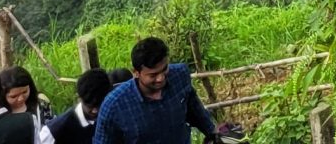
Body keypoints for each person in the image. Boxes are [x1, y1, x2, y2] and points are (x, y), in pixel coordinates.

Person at [87, 39, 220, 144]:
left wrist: (213, 134)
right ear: (136, 73)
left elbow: (194, 110)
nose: (161, 78)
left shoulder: (180, 76)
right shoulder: (114, 106)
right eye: (153, 75)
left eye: (164, 69)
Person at [49, 70, 110, 144]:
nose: (95, 111)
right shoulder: (55, 131)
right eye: (90, 106)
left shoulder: (112, 116)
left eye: (99, 105)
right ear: (79, 99)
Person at [0, 67, 52, 144]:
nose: (21, 99)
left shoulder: (42, 102)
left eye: (25, 92)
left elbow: (50, 128)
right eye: (14, 96)